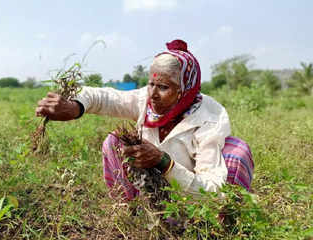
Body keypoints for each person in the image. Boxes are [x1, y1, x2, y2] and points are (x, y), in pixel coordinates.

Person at [35, 39, 254, 201]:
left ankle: (219, 224)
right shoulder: (146, 100)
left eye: (164, 87)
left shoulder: (208, 118)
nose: (153, 94)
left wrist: (164, 162)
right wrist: (75, 107)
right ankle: (133, 210)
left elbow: (212, 189)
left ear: (184, 89)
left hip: (194, 197)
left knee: (236, 152)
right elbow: (103, 97)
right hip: (154, 188)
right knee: (114, 142)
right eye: (151, 84)